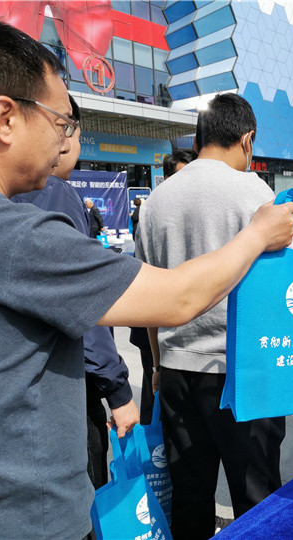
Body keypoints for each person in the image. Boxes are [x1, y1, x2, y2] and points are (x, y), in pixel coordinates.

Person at [0, 20, 293, 540]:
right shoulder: (17, 235)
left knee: (190, 493)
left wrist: (153, 367)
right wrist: (256, 234)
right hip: (24, 519)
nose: (66, 139)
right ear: (4, 117)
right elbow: (178, 296)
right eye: (62, 122)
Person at [134, 93, 287, 539]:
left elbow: (149, 295)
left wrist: (159, 365)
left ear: (200, 137)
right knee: (256, 496)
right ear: (247, 140)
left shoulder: (157, 201)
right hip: (243, 375)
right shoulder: (255, 193)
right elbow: (281, 288)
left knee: (189, 496)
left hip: (179, 371)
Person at [11, 95, 139, 490]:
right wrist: (118, 391)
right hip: (61, 394)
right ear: (64, 136)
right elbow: (84, 305)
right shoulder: (53, 192)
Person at [129, 148, 197, 423]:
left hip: (185, 329)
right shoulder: (153, 211)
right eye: (180, 176)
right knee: (154, 396)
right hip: (152, 326)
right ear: (166, 177)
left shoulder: (195, 208)